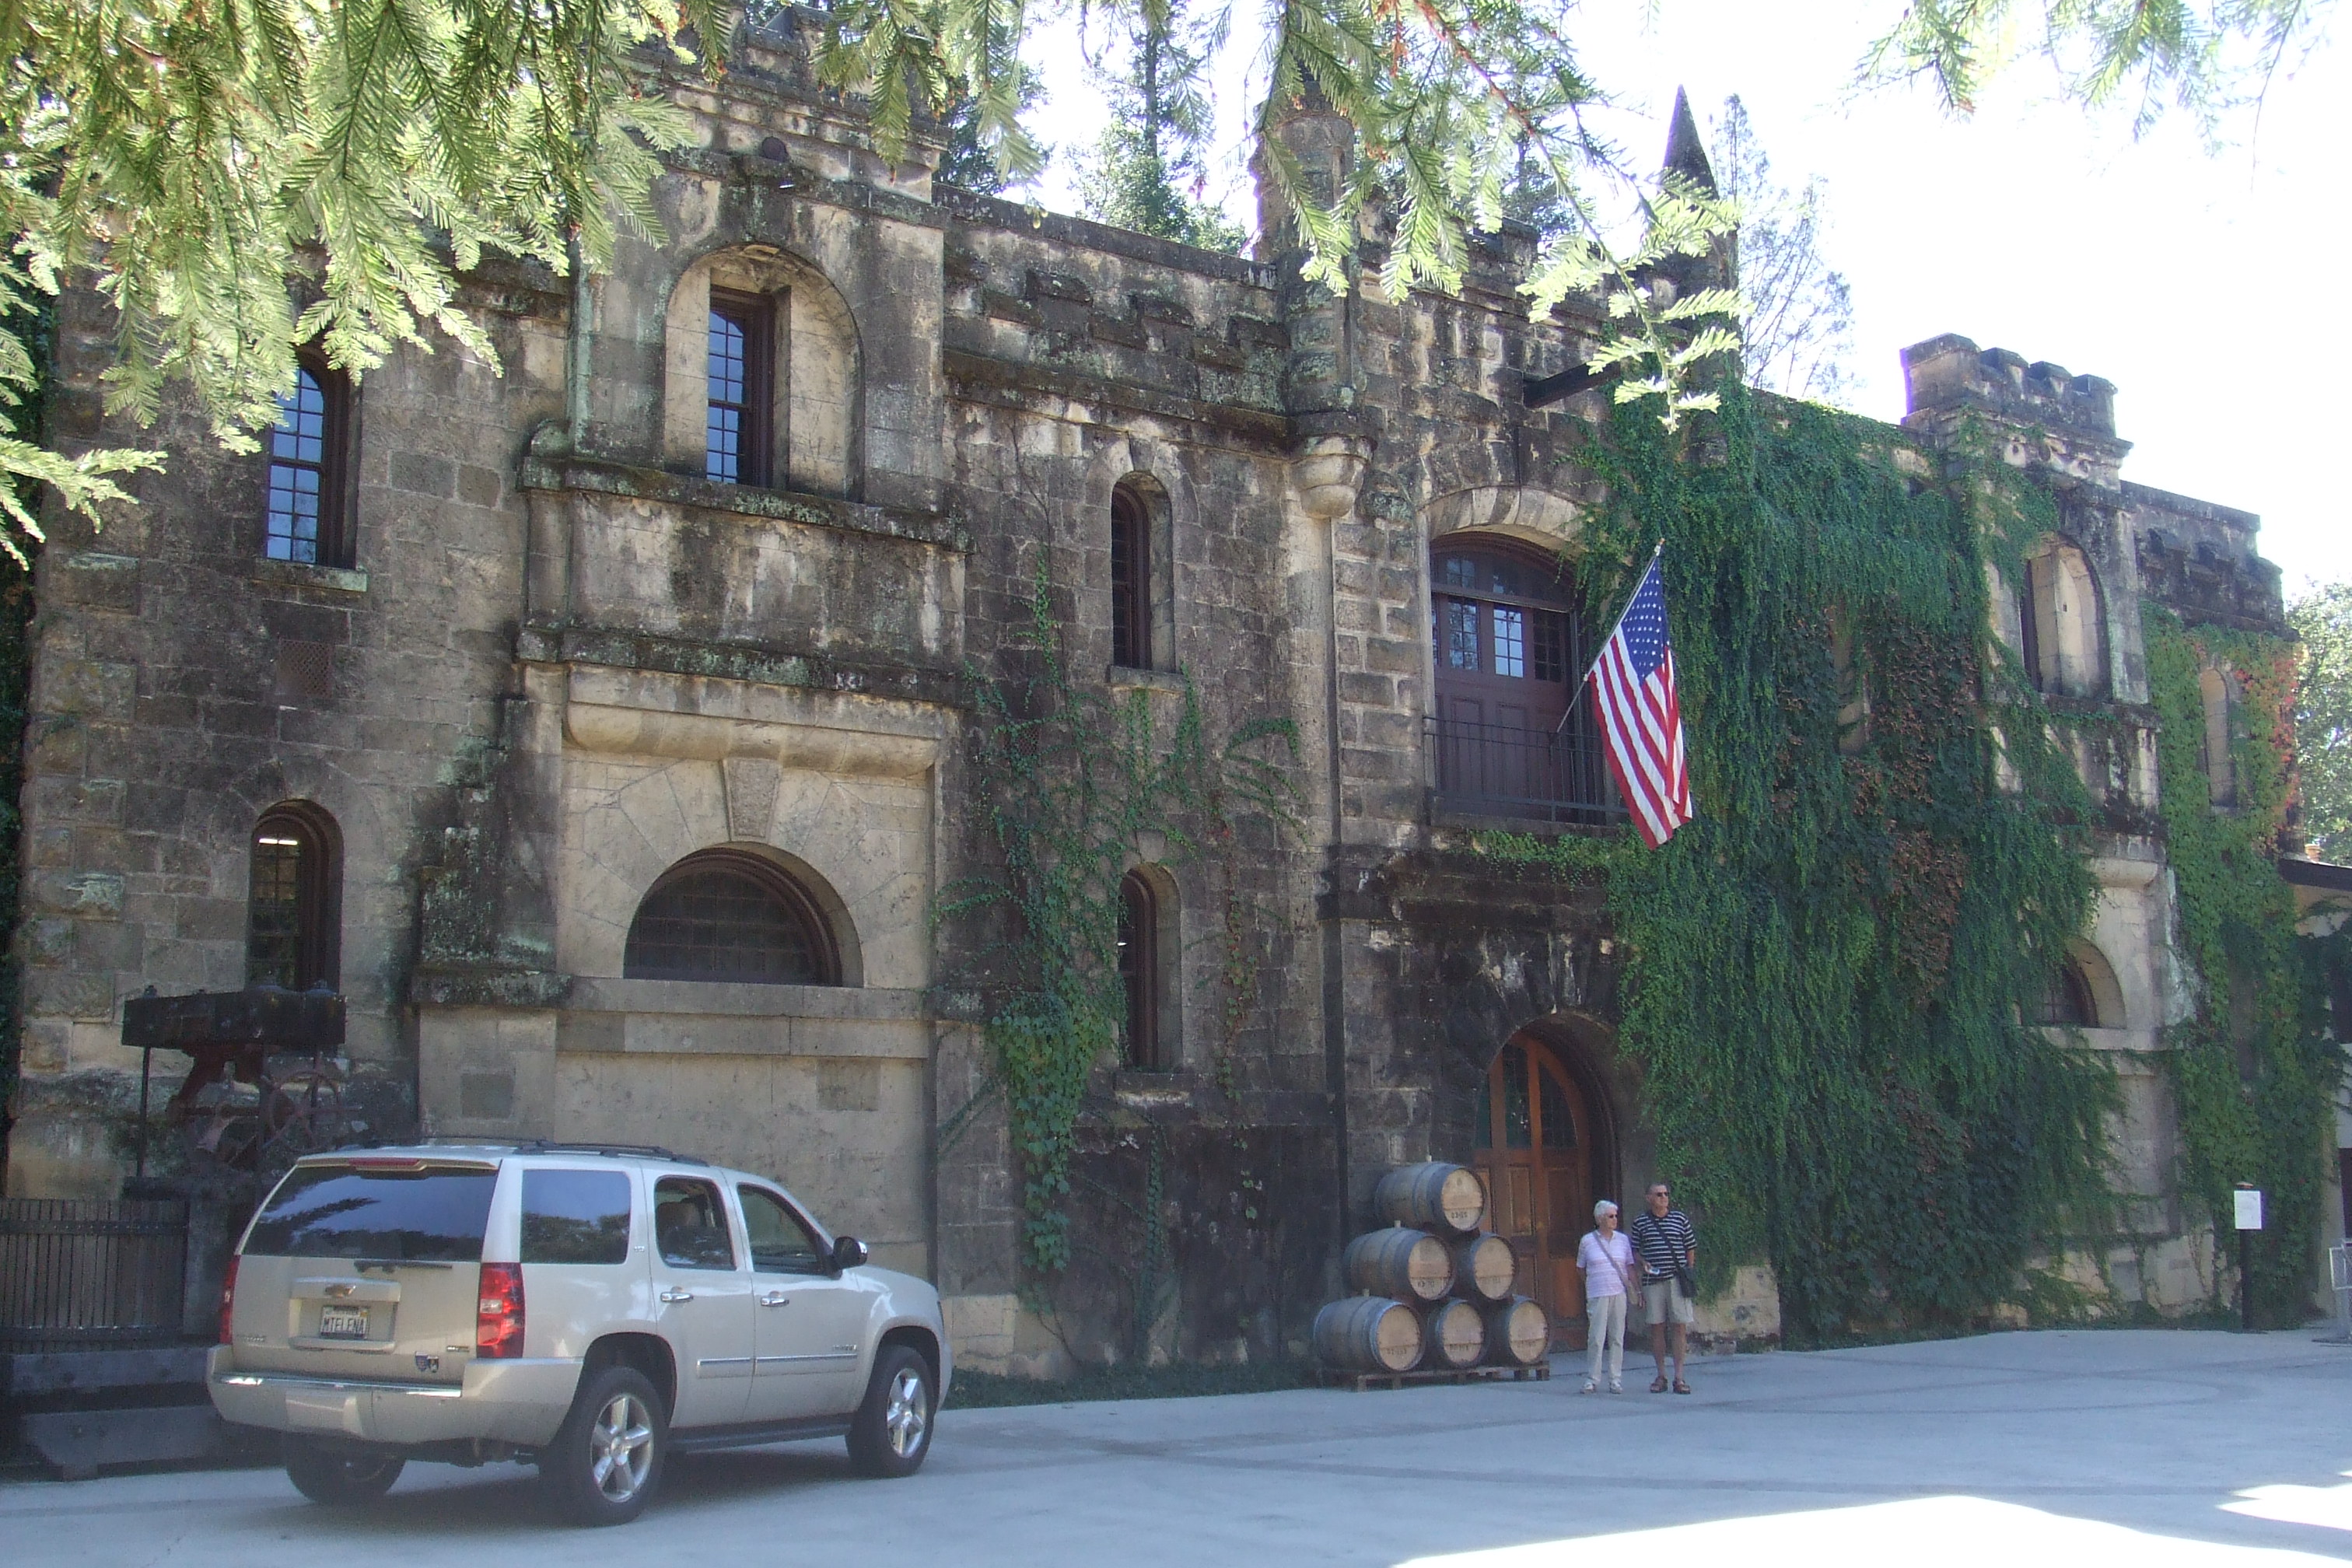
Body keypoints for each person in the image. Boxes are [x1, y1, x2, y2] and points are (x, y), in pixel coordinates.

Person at [1627, 1181, 1698, 1394]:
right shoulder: (1641, 1222)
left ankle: (1679, 1377)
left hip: (1676, 1280)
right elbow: (1634, 1250)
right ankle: (1661, 1375)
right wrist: (1642, 1263)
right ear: (1649, 1198)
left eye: (1666, 1194)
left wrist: (1688, 1271)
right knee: (1656, 1327)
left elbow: (1690, 1246)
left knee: (1680, 1326)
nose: (1663, 1197)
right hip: (1653, 1282)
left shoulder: (1680, 1219)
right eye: (1658, 1194)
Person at [1575, 1199, 1637, 1394]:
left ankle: (1615, 1379)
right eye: (1610, 1216)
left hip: (1618, 1292)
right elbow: (1580, 1268)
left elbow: (1629, 1266)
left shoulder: (1623, 1240)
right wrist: (1591, 1284)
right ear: (1600, 1218)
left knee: (1617, 1336)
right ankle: (1592, 1378)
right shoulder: (1587, 1241)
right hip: (1598, 1293)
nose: (1615, 1219)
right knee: (1596, 1337)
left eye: (1615, 1216)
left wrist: (1636, 1288)